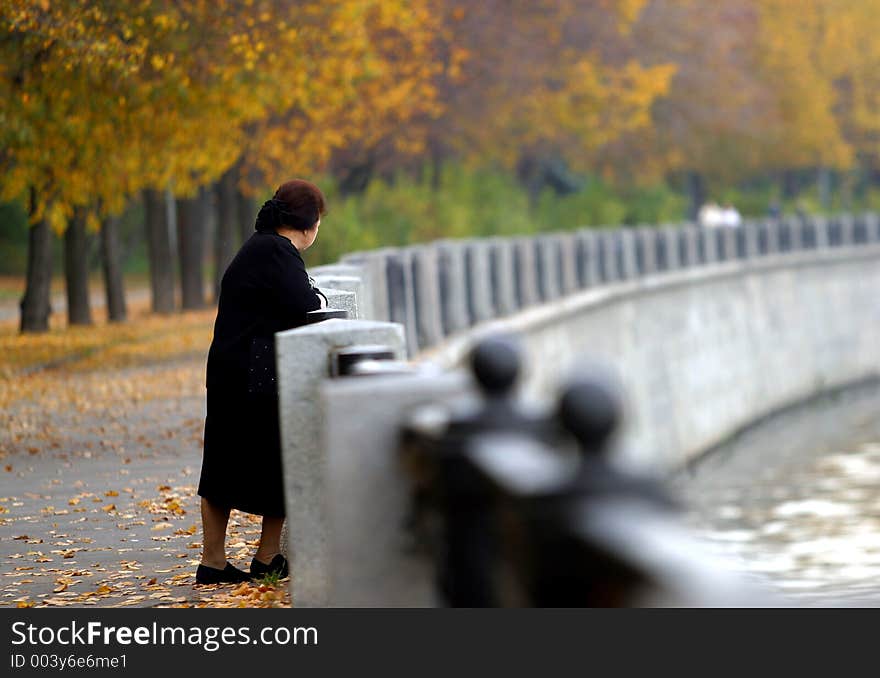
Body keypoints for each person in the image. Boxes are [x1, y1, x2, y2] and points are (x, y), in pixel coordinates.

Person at [196, 179, 328, 584]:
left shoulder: (264, 246)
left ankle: (240, 559)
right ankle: (238, 559)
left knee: (235, 466)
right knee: (264, 462)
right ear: (308, 224)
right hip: (247, 376)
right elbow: (307, 306)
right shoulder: (277, 252)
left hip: (237, 370)